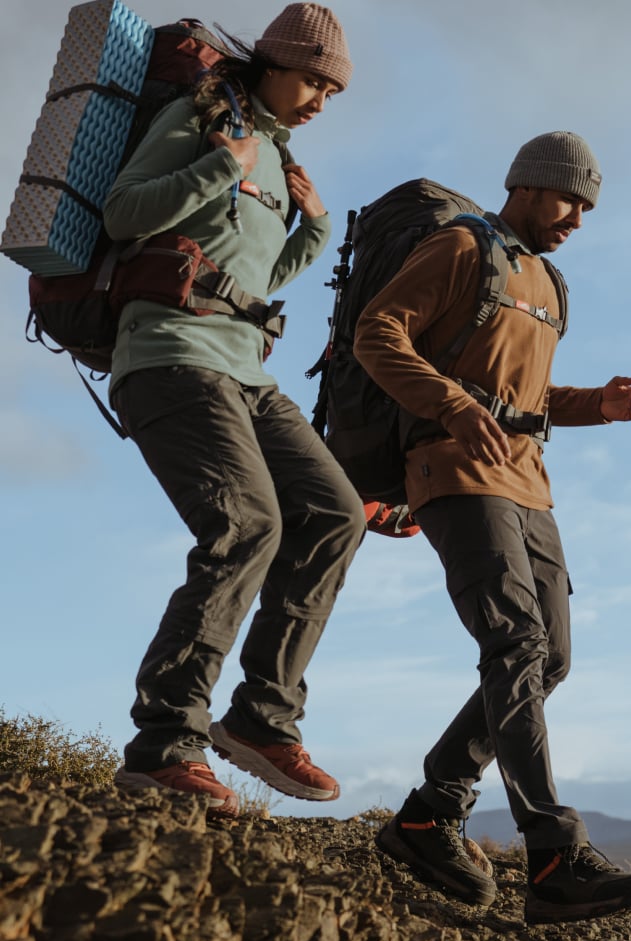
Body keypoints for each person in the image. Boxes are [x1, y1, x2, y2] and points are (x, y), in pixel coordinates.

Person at [353, 132, 631, 923]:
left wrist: (599, 403)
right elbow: (378, 333)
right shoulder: (463, 248)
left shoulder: (549, 284)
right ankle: (553, 854)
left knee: (548, 657)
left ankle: (429, 812)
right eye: (569, 200)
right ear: (525, 186)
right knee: (516, 645)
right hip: (454, 473)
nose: (578, 219)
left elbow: (529, 394)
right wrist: (451, 407)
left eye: (588, 207)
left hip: (529, 486)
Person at [105, 4, 366, 818]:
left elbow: (250, 274)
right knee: (248, 526)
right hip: (170, 355)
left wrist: (313, 226)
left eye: (333, 88)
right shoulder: (204, 117)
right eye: (313, 80)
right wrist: (222, 167)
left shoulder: (277, 154)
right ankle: (164, 743)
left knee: (334, 510)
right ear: (272, 67)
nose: (322, 98)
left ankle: (259, 719)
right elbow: (125, 212)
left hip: (242, 367)